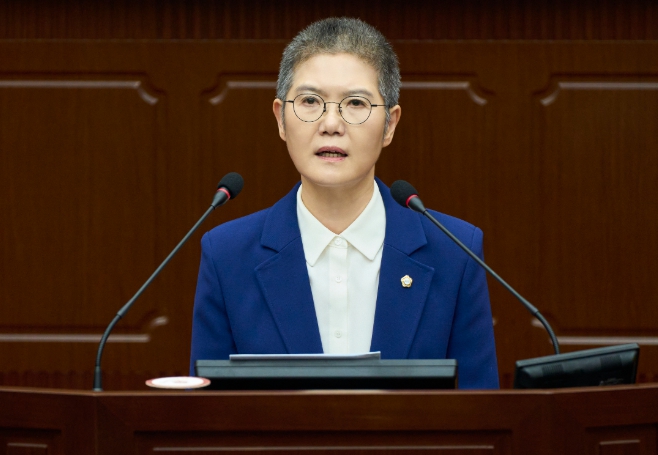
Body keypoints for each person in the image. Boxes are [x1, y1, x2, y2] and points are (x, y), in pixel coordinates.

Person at [190, 17, 499, 389]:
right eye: (310, 101)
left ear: (389, 125)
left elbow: (479, 410)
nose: (331, 124)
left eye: (355, 103)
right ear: (281, 119)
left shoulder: (454, 251)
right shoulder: (227, 256)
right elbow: (207, 413)